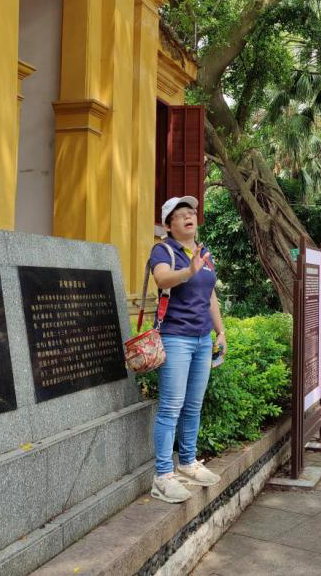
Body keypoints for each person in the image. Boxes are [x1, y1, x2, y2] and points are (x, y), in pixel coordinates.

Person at [148, 195, 227, 503]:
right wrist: (189, 271)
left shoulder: (204, 252)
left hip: (202, 339)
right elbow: (162, 278)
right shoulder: (163, 250)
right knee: (171, 407)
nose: (188, 217)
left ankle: (188, 462)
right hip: (176, 337)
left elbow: (210, 296)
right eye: (180, 214)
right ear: (169, 225)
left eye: (191, 212)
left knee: (193, 405)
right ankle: (163, 476)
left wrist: (220, 331)